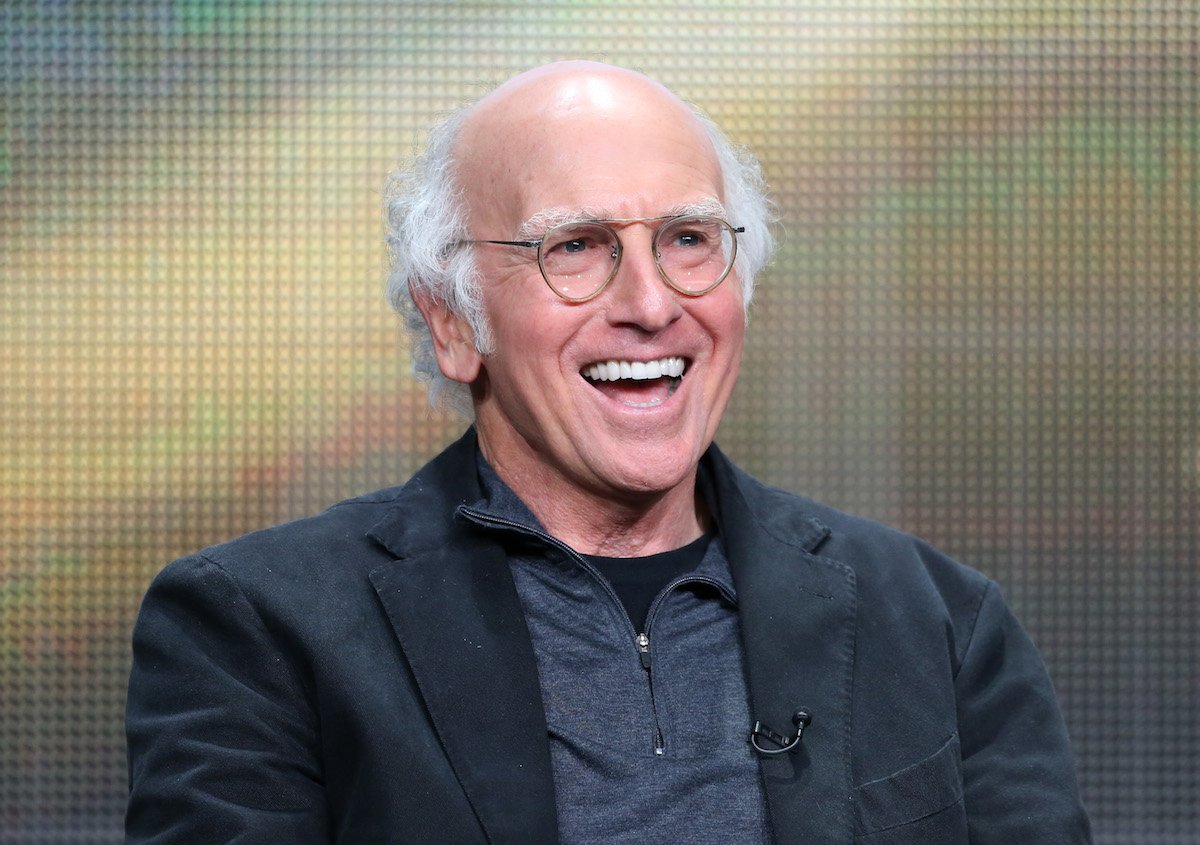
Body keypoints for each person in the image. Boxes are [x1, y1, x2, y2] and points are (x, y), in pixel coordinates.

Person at [125, 61, 1091, 844]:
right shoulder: (259, 628)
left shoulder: (938, 618)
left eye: (686, 237)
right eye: (576, 247)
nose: (651, 303)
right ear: (452, 321)